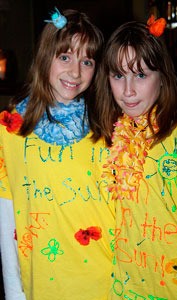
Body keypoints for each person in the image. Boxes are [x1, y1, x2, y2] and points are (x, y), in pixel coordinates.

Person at [0, 8, 115, 300]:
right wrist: (14, 292)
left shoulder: (108, 128)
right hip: (44, 285)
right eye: (64, 57)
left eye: (86, 61)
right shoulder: (10, 129)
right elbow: (6, 219)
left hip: (108, 283)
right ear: (45, 58)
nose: (75, 73)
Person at [91, 15, 177, 299]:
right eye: (118, 76)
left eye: (140, 75)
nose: (128, 91)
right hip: (125, 287)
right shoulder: (111, 136)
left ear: (162, 76)